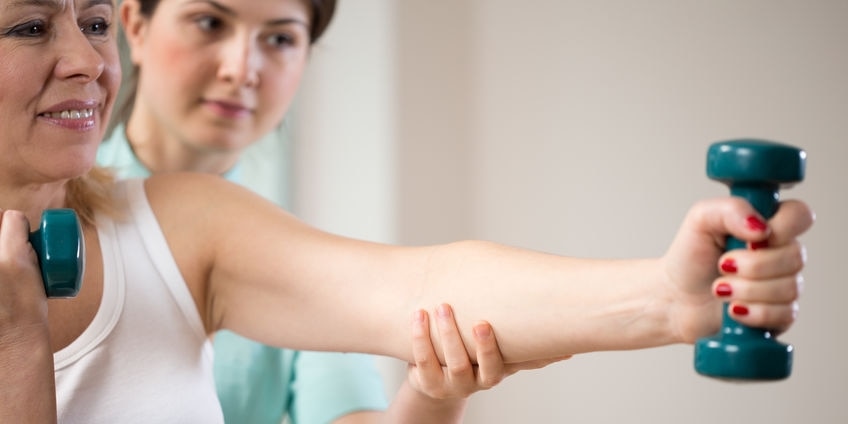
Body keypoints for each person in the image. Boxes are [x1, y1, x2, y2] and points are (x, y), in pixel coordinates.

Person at [0, 0, 813, 423]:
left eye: (96, 23)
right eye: (32, 26)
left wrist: (666, 298)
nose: (86, 59)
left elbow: (423, 284)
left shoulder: (189, 222)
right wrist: (21, 356)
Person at [96, 0, 547, 422]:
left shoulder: (296, 261)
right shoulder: (47, 212)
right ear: (134, 25)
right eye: (211, 23)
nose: (242, 70)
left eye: (280, 39)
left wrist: (433, 394)